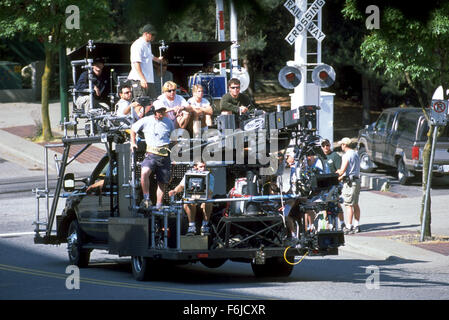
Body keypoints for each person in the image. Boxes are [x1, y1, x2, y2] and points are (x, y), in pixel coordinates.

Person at [130, 100, 175, 209]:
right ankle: (146, 198)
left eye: (163, 111)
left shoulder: (169, 122)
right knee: (144, 172)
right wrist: (133, 142)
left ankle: (159, 204)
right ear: (154, 111)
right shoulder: (146, 120)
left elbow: (174, 139)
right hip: (151, 154)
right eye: (159, 111)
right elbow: (133, 129)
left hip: (164, 155)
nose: (161, 113)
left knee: (162, 182)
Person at [168, 161, 214, 236]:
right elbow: (181, 186)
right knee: (188, 201)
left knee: (208, 202)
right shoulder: (188, 175)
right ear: (195, 167)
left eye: (205, 167)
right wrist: (175, 191)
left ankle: (205, 226)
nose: (204, 168)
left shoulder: (210, 176)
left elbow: (210, 193)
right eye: (201, 167)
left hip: (202, 200)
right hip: (190, 200)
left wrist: (204, 182)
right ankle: (191, 226)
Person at [128, 24, 163, 100]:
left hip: (149, 80)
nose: (154, 36)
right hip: (138, 80)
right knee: (141, 104)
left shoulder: (147, 44)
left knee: (153, 103)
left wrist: (158, 60)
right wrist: (142, 79)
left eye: (155, 34)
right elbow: (136, 63)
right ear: (145, 34)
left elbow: (149, 56)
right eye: (152, 34)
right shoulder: (138, 45)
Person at [335, 137, 362, 234]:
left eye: (341, 144)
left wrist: (337, 173)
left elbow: (342, 170)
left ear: (344, 145)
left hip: (350, 183)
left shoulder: (346, 155)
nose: (341, 146)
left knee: (348, 205)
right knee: (355, 204)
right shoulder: (355, 153)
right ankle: (356, 225)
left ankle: (349, 226)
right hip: (357, 180)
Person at [321, 138, 346, 230]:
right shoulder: (320, 157)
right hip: (323, 185)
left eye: (327, 145)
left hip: (334, 184)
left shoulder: (334, 156)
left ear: (330, 145)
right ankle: (327, 224)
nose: (325, 147)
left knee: (336, 203)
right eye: (323, 146)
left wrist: (337, 182)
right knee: (324, 205)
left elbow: (340, 171)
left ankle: (342, 223)